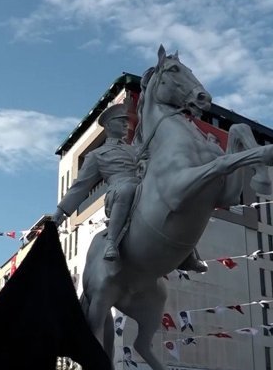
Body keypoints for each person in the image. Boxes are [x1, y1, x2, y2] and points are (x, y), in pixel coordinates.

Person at [52, 103, 207, 272]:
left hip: (143, 185)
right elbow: (80, 186)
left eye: (127, 122)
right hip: (118, 190)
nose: (127, 125)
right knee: (127, 189)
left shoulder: (135, 149)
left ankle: (188, 254)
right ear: (110, 125)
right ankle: (111, 243)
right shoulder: (96, 155)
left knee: (174, 196)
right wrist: (60, 213)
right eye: (121, 122)